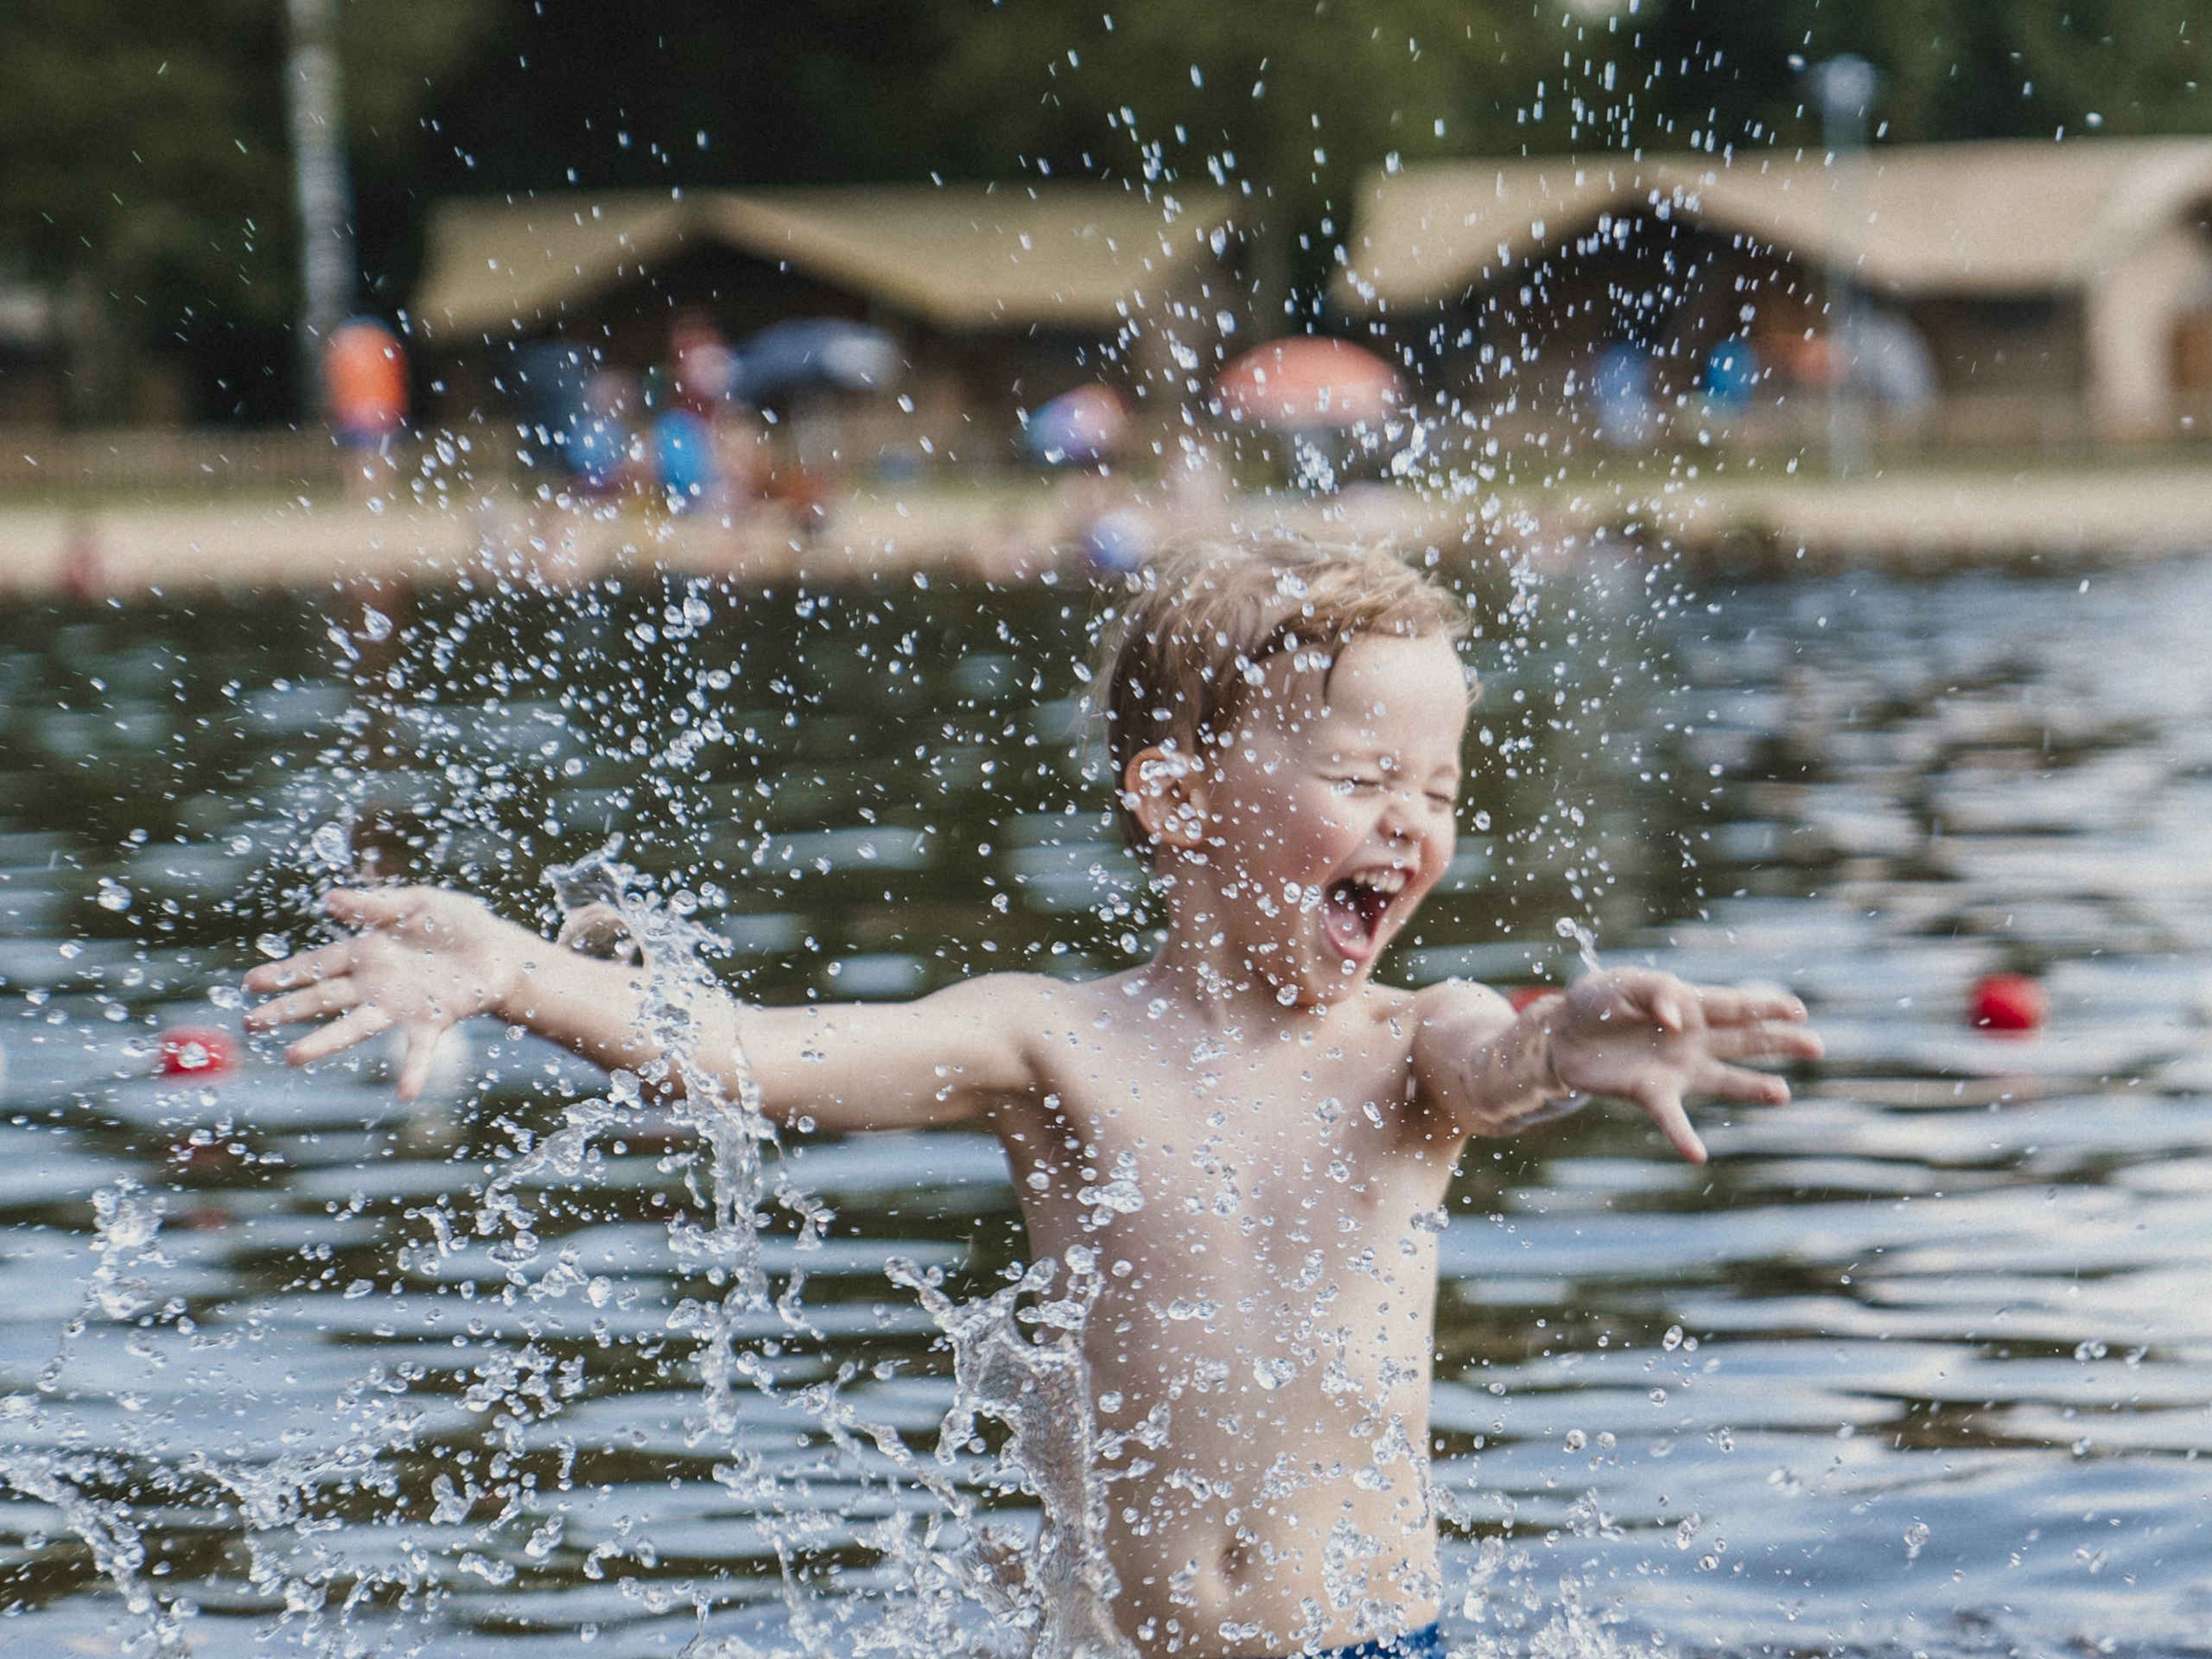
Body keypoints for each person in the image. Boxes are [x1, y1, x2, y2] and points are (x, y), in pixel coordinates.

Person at [242, 534, 1821, 1659]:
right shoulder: (1054, 1045)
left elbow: (1501, 1068)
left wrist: (1572, 1042)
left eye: (1443, 792)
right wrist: (518, 972)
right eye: (1362, 781)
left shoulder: (1413, 1041)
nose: (1411, 827)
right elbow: (751, 1054)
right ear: (1177, 795)